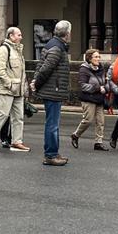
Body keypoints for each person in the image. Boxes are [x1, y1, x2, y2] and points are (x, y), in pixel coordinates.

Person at [31, 20, 72, 166]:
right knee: (52, 125)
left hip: (52, 90)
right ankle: (51, 155)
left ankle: (53, 152)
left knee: (52, 124)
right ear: (67, 33)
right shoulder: (57, 48)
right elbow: (46, 68)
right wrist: (36, 83)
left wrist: (35, 80)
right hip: (53, 91)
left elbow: (40, 65)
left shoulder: (52, 44)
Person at [0, 26, 30, 152]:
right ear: (11, 36)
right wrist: (9, 84)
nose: (21, 37)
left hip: (18, 90)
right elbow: (0, 71)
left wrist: (23, 87)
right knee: (3, 114)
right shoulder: (4, 49)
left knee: (18, 117)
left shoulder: (18, 50)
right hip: (7, 89)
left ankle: (17, 141)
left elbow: (21, 72)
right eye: (19, 35)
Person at [71, 48, 109, 151]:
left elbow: (105, 82)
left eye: (98, 56)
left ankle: (98, 143)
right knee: (88, 120)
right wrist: (97, 88)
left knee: (100, 121)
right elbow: (83, 86)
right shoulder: (84, 69)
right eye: (96, 57)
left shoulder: (101, 68)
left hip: (99, 99)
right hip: (88, 98)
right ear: (89, 58)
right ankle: (76, 135)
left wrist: (106, 87)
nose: (98, 59)